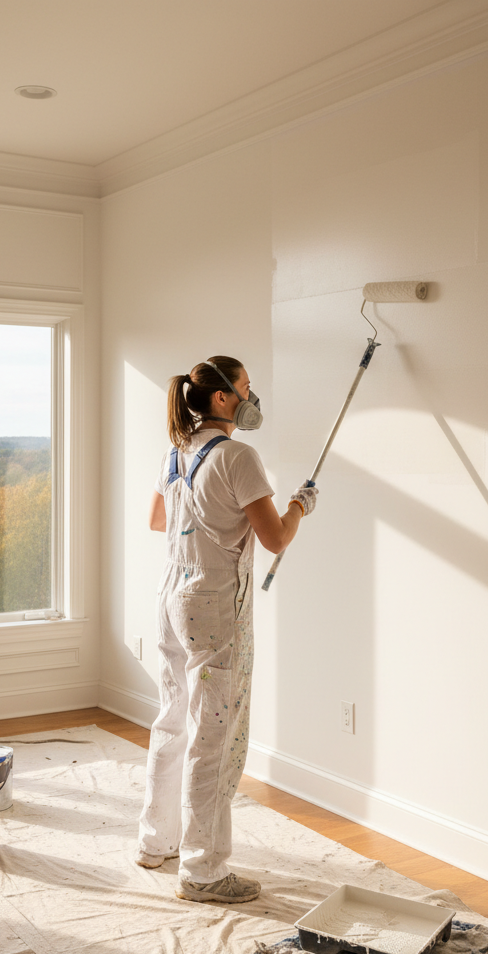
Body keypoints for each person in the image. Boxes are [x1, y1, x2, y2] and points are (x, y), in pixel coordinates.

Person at [137, 356, 318, 903]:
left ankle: (155, 842)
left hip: (173, 598)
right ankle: (204, 872)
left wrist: (211, 516)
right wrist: (298, 506)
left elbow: (157, 520)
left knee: (172, 720)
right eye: (245, 388)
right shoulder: (238, 456)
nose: (251, 397)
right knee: (215, 739)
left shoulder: (177, 450)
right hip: (215, 609)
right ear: (222, 398)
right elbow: (275, 539)